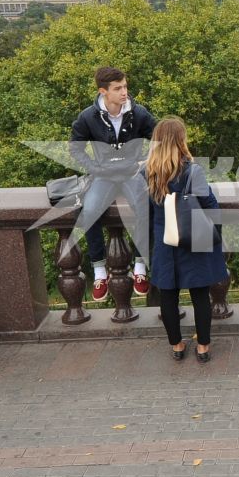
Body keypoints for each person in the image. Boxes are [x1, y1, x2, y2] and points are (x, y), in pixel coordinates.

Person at [70, 66, 158, 303]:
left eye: (125, 86)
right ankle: (100, 271)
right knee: (88, 212)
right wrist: (94, 168)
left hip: (131, 173)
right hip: (103, 176)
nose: (124, 92)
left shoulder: (138, 113)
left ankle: (140, 268)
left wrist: (148, 162)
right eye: (118, 88)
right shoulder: (88, 116)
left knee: (144, 210)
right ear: (103, 91)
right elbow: (75, 147)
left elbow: (159, 135)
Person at [144, 117, 224, 364]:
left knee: (168, 295)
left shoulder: (149, 171)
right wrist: (215, 233)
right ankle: (202, 347)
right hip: (193, 238)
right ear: (181, 140)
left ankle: (177, 346)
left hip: (165, 240)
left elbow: (146, 209)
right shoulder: (192, 170)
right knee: (200, 295)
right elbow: (209, 205)